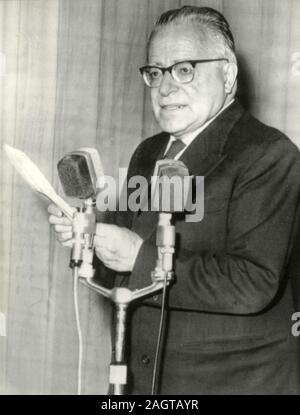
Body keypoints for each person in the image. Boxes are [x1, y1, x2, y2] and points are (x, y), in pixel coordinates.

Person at [48, 6, 300, 394]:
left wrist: (137, 256)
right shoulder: (149, 153)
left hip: (233, 382)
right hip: (147, 379)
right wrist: (92, 238)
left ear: (228, 74)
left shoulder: (267, 154)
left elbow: (254, 283)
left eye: (184, 69)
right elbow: (126, 271)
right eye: (155, 72)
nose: (165, 88)